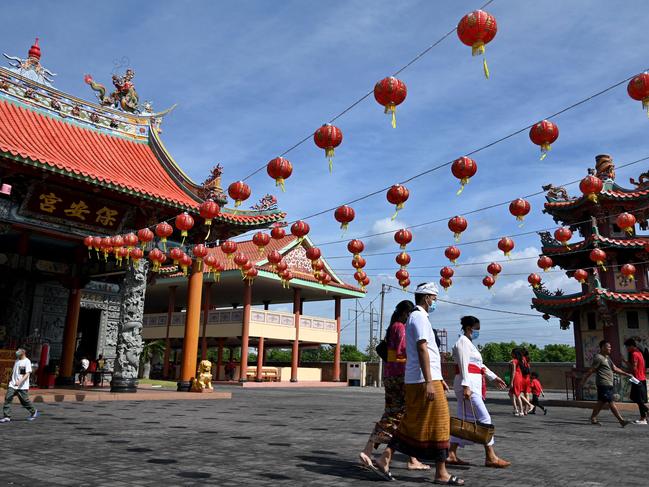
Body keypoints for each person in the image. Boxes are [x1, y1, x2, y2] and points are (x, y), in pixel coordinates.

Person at [369, 283, 464, 485]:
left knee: (411, 422)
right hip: (422, 380)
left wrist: (437, 379)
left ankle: (384, 458)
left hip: (420, 378)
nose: (435, 302)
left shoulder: (415, 317)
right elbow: (422, 349)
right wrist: (430, 381)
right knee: (440, 422)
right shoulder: (419, 317)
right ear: (427, 297)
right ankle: (441, 473)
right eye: (434, 298)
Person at [359, 300, 429, 472]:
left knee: (395, 414)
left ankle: (371, 451)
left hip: (391, 375)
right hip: (401, 376)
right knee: (402, 415)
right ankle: (408, 458)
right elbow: (402, 350)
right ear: (407, 313)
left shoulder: (392, 327)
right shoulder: (400, 328)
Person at [446, 316, 510, 468]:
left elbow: (479, 365)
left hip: (471, 383)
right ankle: (490, 456)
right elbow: (463, 366)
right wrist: (466, 386)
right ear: (469, 328)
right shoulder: (462, 342)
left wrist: (493, 377)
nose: (478, 332)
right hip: (467, 384)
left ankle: (451, 453)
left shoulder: (469, 344)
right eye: (477, 329)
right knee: (484, 418)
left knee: (463, 419)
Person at [580, 340, 632, 427]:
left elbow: (615, 368)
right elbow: (591, 370)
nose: (610, 348)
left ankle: (593, 418)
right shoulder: (598, 358)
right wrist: (583, 380)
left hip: (609, 383)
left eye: (610, 347)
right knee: (610, 402)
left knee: (601, 402)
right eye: (608, 347)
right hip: (603, 383)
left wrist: (626, 374)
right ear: (603, 347)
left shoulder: (607, 358)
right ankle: (621, 420)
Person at [1, 348, 39, 423]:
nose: (17, 354)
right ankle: (6, 416)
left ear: (23, 353)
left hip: (21, 386)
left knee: (24, 401)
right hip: (13, 384)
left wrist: (20, 381)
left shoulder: (26, 361)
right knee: (8, 398)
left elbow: (27, 374)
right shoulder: (17, 360)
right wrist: (10, 380)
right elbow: (17, 372)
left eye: (19, 353)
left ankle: (34, 411)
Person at [623, 338, 647, 424]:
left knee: (638, 399)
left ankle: (643, 418)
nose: (627, 349)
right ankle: (644, 414)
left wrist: (625, 362)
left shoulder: (634, 354)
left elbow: (633, 368)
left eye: (627, 347)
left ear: (632, 346)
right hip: (642, 378)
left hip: (637, 379)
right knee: (635, 397)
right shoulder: (640, 353)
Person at [509, 349, 524, 416]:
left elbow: (513, 372)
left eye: (512, 352)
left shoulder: (514, 361)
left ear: (514, 354)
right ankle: (516, 409)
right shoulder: (518, 361)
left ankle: (521, 411)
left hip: (516, 378)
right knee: (510, 394)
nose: (510, 353)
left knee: (517, 395)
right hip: (519, 377)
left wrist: (511, 382)